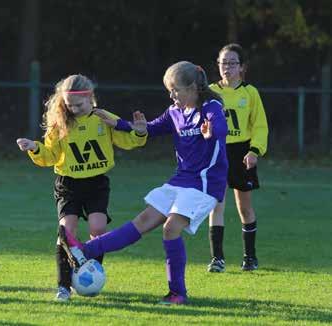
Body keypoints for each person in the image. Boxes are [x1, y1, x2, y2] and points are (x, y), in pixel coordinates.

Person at [58, 61, 228, 305]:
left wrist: (213, 132)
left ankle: (177, 293)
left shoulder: (211, 106)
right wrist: (120, 124)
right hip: (181, 180)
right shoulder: (174, 113)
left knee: (170, 228)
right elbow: (150, 128)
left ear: (192, 87)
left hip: (205, 183)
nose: (172, 96)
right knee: (143, 221)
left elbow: (220, 125)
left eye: (176, 90)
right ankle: (83, 251)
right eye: (169, 91)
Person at [16, 74, 147, 301]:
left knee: (98, 229)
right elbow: (50, 156)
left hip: (97, 183)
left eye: (79, 104)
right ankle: (64, 286)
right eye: (69, 105)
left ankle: (90, 276)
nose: (74, 109)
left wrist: (140, 132)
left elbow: (129, 140)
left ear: (90, 98)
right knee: (67, 231)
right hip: (68, 184)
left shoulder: (103, 118)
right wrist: (34, 148)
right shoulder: (60, 124)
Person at [207, 43, 268, 273]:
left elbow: (260, 125)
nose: (228, 67)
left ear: (242, 67)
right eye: (224, 63)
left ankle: (250, 258)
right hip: (217, 150)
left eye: (233, 63)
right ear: (218, 65)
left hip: (242, 152)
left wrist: (255, 151)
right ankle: (217, 259)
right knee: (216, 205)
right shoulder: (210, 91)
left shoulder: (250, 92)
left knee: (244, 208)